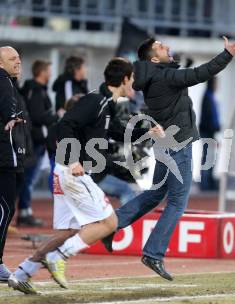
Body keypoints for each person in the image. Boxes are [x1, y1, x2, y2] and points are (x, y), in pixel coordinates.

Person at [8, 57, 164, 294]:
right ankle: (59, 257)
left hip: (65, 171)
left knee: (67, 232)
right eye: (131, 79)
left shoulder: (105, 103)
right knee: (109, 223)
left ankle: (21, 273)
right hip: (73, 171)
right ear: (124, 79)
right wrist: (73, 160)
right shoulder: (95, 100)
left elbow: (115, 131)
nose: (133, 84)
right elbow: (64, 125)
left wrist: (146, 132)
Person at [102, 36, 235, 281]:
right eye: (161, 47)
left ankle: (111, 226)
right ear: (153, 58)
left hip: (165, 144)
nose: (167, 48)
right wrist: (228, 54)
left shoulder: (154, 76)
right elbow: (201, 73)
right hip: (177, 145)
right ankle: (153, 253)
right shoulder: (163, 76)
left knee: (155, 194)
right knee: (178, 201)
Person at [17, 60, 59, 226]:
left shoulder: (37, 89)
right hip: (34, 140)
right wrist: (56, 116)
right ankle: (24, 212)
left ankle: (24, 210)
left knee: (28, 177)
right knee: (28, 177)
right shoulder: (35, 90)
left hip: (35, 140)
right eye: (49, 70)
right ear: (42, 72)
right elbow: (37, 116)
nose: (50, 73)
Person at [0, 46, 29, 282]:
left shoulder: (9, 82)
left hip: (7, 156)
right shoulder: (3, 81)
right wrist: (13, 118)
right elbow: (8, 115)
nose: (17, 62)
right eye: (12, 59)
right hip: (4, 158)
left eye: (19, 57)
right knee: (6, 208)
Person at [199, 77, 221, 191]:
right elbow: (208, 118)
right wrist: (214, 131)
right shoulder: (208, 97)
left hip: (210, 132)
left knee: (210, 157)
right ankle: (205, 184)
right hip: (208, 132)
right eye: (217, 83)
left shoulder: (210, 96)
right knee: (208, 157)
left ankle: (208, 182)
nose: (218, 86)